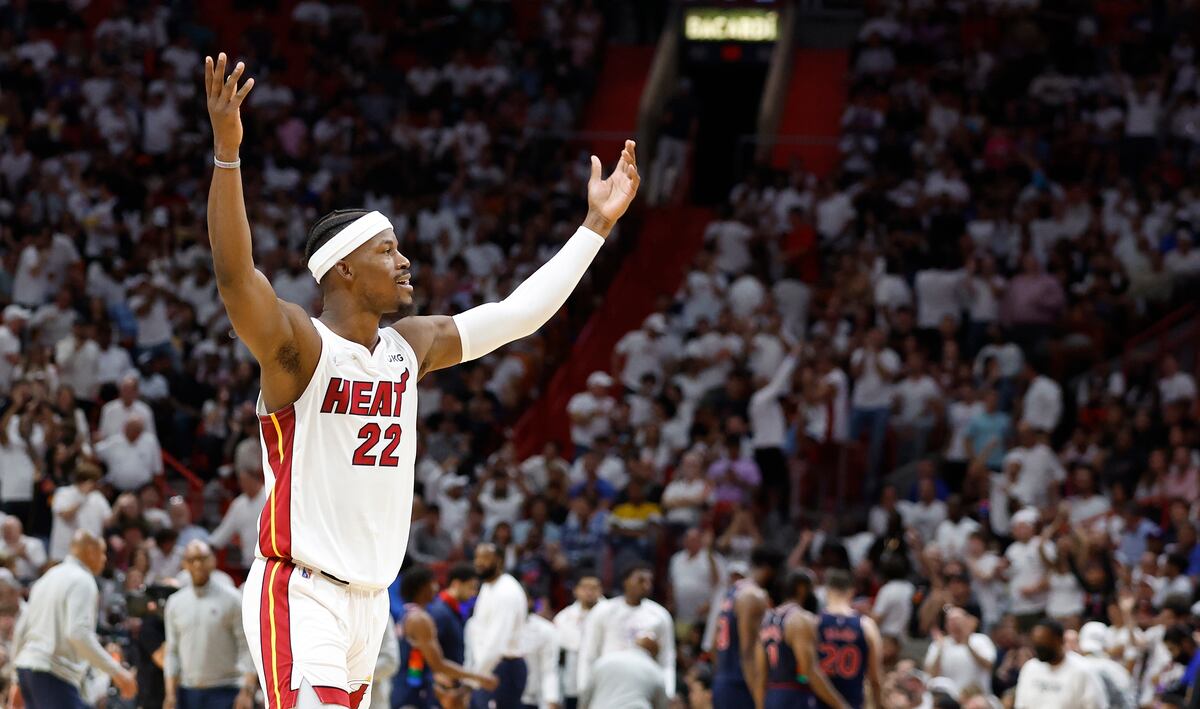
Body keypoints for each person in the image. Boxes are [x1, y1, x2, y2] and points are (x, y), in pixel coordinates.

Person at [204, 52, 639, 708]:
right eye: (386, 250)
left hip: (371, 600)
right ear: (343, 270)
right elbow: (238, 277)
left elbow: (518, 315)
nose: (405, 260)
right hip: (301, 590)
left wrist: (595, 227)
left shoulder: (410, 346)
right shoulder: (300, 347)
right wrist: (228, 154)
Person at [12, 530, 137, 707]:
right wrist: (117, 672)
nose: (104, 559)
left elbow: (22, 628)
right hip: (52, 672)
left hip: (28, 670)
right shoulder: (83, 580)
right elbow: (78, 633)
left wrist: (15, 677)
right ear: (90, 551)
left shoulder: (47, 577)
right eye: (101, 552)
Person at [163, 540, 258, 709]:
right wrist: (170, 694)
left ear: (213, 560)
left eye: (203, 558)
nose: (198, 564)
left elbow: (248, 647)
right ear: (184, 564)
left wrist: (247, 690)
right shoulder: (175, 603)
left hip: (227, 691)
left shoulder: (233, 599)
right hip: (187, 692)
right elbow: (172, 651)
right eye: (192, 559)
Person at [395, 565, 499, 709]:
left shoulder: (407, 613)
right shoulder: (420, 619)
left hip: (409, 688)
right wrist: (479, 677)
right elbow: (438, 664)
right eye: (433, 583)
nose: (437, 588)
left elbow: (420, 664)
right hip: (411, 694)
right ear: (423, 587)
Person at [578, 564, 676, 699]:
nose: (646, 586)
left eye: (649, 581)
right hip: (609, 682)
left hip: (642, 684)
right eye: (641, 580)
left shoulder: (660, 616)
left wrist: (668, 694)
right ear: (625, 582)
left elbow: (667, 660)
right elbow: (589, 654)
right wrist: (584, 690)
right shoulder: (604, 611)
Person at [756, 569, 849, 709]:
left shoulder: (766, 620)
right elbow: (809, 671)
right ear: (801, 588)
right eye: (813, 588)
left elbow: (760, 674)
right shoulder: (800, 619)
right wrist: (841, 706)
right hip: (795, 695)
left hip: (772, 694)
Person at [712, 546, 780, 708]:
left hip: (723, 680)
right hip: (741, 684)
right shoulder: (754, 595)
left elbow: (715, 641)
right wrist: (759, 701)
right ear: (768, 570)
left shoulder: (733, 591)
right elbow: (749, 653)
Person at [467, 543, 529, 708]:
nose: (479, 562)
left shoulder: (506, 591)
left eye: (485, 558)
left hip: (503, 667)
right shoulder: (488, 585)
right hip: (488, 665)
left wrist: (475, 678)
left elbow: (496, 642)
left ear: (499, 561)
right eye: (477, 558)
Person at [817, 569, 883, 709]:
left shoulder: (814, 622)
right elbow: (875, 677)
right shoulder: (866, 625)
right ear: (852, 591)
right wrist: (879, 704)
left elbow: (803, 671)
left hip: (817, 702)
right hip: (852, 702)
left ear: (827, 591)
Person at [1013, 618, 1102, 708]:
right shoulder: (1030, 668)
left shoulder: (1082, 669)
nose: (1038, 649)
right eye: (1036, 643)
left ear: (1059, 640)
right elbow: (1021, 705)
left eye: (1043, 643)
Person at [578, 631, 669, 709]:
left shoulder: (605, 660)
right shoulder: (655, 671)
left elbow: (586, 691)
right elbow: (661, 705)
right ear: (655, 652)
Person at [554, 571, 604, 709]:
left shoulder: (611, 614)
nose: (589, 592)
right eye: (584, 588)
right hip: (572, 680)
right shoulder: (563, 618)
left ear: (601, 590)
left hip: (602, 678)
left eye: (594, 588)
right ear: (576, 590)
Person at [429, 562, 478, 666]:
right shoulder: (439, 612)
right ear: (456, 584)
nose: (473, 593)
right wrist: (436, 674)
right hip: (441, 678)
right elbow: (427, 648)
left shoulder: (455, 609)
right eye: (471, 587)